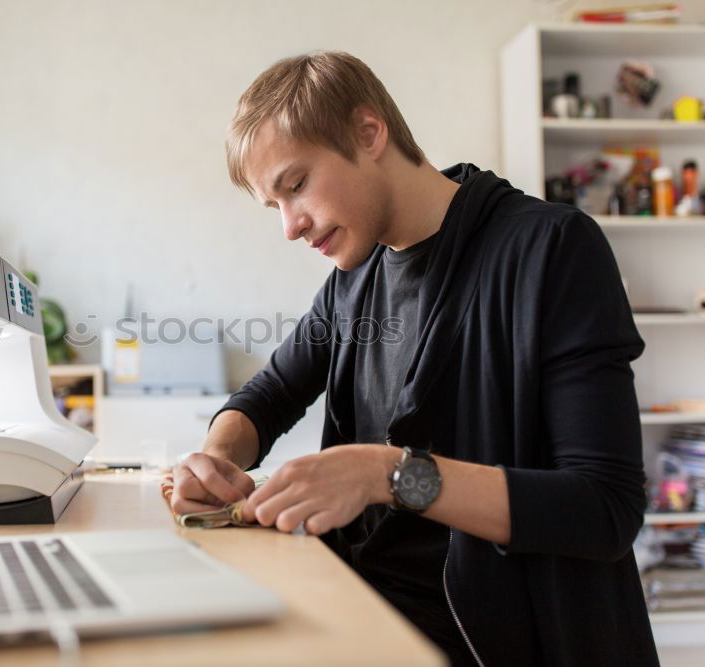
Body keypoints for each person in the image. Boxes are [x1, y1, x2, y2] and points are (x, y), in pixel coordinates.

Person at [169, 51, 659, 666]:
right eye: (275, 206)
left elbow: (604, 509)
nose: (290, 228)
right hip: (367, 612)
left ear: (369, 133)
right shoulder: (355, 276)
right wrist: (216, 461)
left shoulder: (551, 249)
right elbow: (268, 395)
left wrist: (390, 475)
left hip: (497, 641)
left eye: (296, 186)